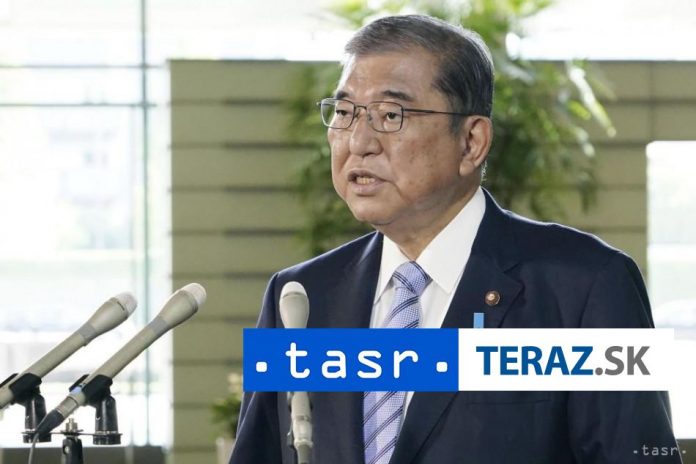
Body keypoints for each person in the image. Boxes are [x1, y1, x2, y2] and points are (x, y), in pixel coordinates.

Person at [230, 14, 681, 464]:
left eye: (391, 115)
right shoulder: (300, 298)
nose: (358, 141)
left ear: (471, 142)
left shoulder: (587, 287)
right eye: (345, 113)